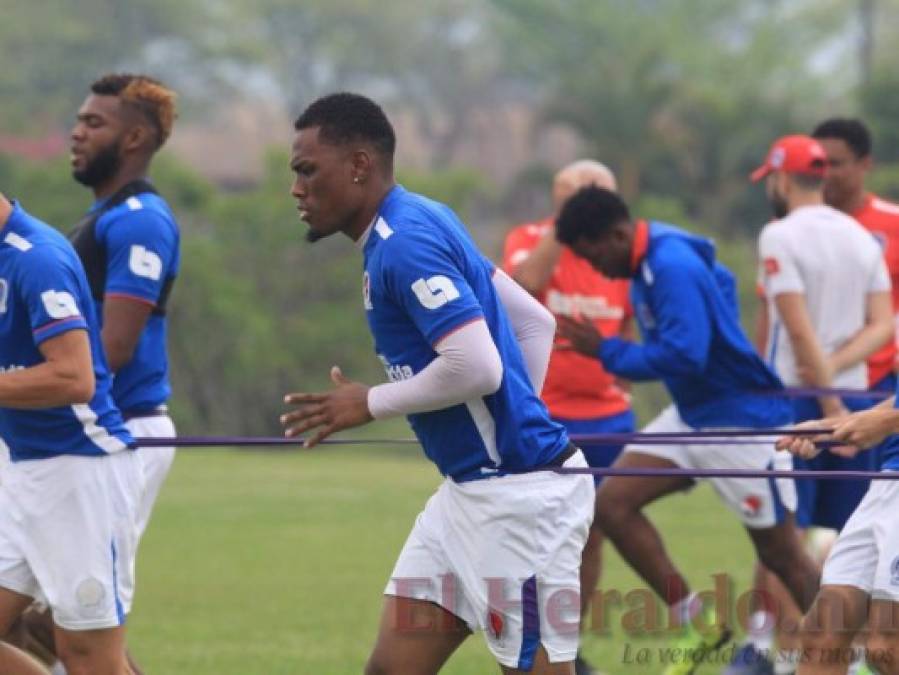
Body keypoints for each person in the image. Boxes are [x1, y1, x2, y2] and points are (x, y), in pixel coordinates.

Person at [279, 92, 595, 675]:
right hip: (468, 498)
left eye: (306, 170)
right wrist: (514, 418)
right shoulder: (420, 217)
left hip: (517, 504)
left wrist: (368, 402)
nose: (296, 188)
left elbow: (477, 366)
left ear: (358, 166)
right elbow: (534, 322)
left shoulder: (406, 245)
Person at [554, 185, 820, 675]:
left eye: (594, 256)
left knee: (784, 557)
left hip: (741, 426)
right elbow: (717, 276)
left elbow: (685, 354)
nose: (595, 269)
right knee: (611, 503)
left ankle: (865, 655)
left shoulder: (670, 264)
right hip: (694, 415)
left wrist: (608, 352)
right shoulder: (650, 258)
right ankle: (696, 622)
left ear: (615, 234)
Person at [8, 73, 181, 675]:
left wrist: (28, 388)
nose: (76, 133)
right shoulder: (98, 218)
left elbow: (112, 350)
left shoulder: (139, 221)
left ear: (134, 138)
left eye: (93, 123)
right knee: (46, 623)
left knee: (79, 630)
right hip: (55, 436)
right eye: (78, 121)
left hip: (111, 436)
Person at [502, 160, 633, 675]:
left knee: (592, 534)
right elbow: (524, 284)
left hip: (609, 418)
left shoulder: (618, 249)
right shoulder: (532, 238)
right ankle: (531, 641)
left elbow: (627, 318)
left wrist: (623, 371)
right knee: (536, 535)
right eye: (576, 194)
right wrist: (566, 222)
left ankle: (567, 646)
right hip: (547, 417)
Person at [0, 193, 139, 675]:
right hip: (21, 473)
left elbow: (73, 377)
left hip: (79, 475)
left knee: (90, 660)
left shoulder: (35, 257)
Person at [776, 392, 899, 674]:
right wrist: (835, 427)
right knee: (822, 637)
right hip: (887, 483)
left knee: (888, 648)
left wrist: (887, 422)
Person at [812, 118, 899, 395]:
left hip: (881, 382)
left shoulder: (893, 223)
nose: (826, 174)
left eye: (835, 164)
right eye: (818, 165)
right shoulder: (794, 229)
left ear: (865, 163)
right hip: (808, 382)